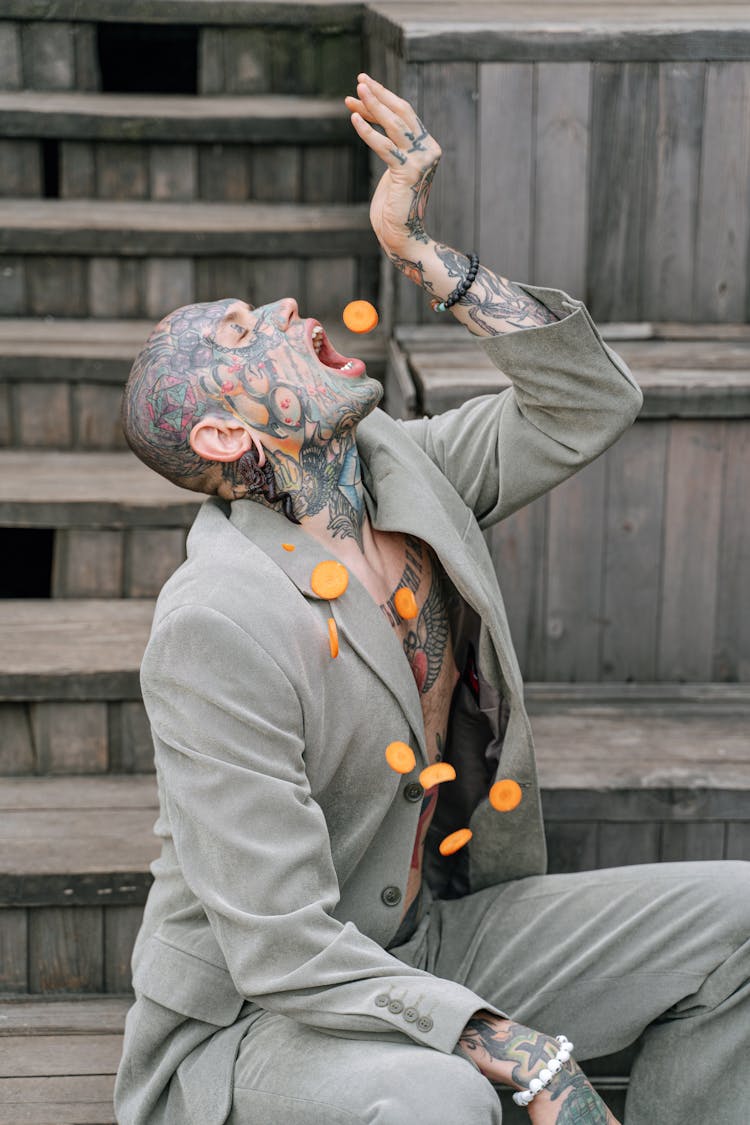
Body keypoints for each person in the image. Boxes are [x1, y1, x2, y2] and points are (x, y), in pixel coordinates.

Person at [114, 74, 750, 1125]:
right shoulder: (213, 623)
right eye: (239, 335)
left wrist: (422, 254)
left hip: (430, 939)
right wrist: (523, 1054)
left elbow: (593, 399)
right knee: (438, 1092)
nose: (279, 308)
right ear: (229, 437)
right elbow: (280, 949)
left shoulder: (402, 469)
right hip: (266, 1019)